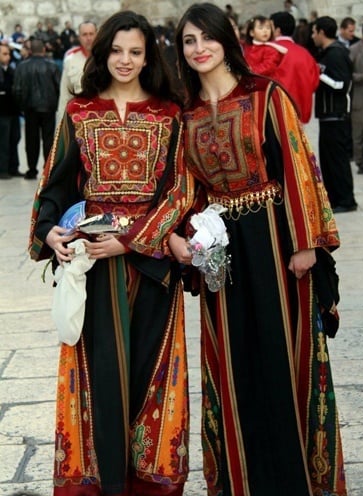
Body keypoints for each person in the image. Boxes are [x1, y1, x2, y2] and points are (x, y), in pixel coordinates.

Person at [174, 3, 347, 495]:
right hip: (220, 250)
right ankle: (241, 480)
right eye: (188, 41)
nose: (199, 48)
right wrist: (182, 236)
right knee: (230, 359)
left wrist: (306, 243)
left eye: (206, 37)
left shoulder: (265, 95)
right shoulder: (183, 114)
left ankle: (296, 481)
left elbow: (297, 166)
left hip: (275, 243)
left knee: (283, 352)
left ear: (227, 39)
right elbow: (186, 190)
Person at [28, 10, 194, 496]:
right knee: (96, 373)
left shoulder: (169, 113)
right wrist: (50, 233)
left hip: (151, 261)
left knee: (151, 371)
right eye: (116, 50)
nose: (125, 60)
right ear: (102, 54)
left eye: (136, 51)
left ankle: (150, 483)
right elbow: (55, 183)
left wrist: (131, 239)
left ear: (149, 56)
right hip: (90, 265)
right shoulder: (79, 111)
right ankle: (97, 482)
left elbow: (180, 190)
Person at [312, 16, 358, 212]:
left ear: (322, 32)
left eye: (315, 32)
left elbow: (342, 84)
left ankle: (347, 201)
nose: (313, 36)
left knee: (338, 162)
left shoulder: (336, 54)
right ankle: (335, 199)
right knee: (329, 163)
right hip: (328, 116)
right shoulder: (328, 53)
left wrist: (317, 73)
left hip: (337, 116)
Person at [13, 38, 61, 180]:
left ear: (30, 51)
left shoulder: (22, 66)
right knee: (48, 140)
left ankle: (32, 169)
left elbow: (16, 89)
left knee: (31, 140)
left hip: (30, 108)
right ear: (44, 50)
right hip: (48, 107)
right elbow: (59, 87)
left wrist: (22, 106)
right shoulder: (52, 66)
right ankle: (48, 170)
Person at [270, 11, 319, 124]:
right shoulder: (305, 54)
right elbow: (314, 82)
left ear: (277, 30)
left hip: (275, 115)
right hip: (299, 115)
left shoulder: (269, 52)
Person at [56, 21, 98, 121]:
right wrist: (61, 125)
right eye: (84, 34)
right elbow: (65, 95)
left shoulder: (107, 57)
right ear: (79, 37)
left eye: (91, 34)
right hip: (80, 117)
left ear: (97, 35)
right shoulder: (70, 59)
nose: (88, 38)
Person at [349, 18, 363, 174]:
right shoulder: (354, 49)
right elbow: (349, 75)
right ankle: (361, 162)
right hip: (360, 97)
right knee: (359, 133)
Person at [0, 42, 22, 178]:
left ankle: (14, 168)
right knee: (3, 142)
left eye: (8, 54)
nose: (8, 57)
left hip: (13, 111)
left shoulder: (11, 69)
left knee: (15, 139)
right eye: (4, 54)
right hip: (2, 113)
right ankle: (3, 169)